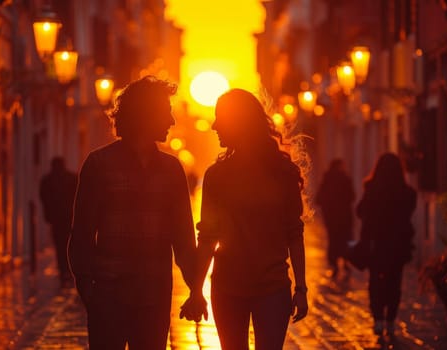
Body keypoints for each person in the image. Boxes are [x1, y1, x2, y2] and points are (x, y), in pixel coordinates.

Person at [68, 76, 198, 349]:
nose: (172, 121)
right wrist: (88, 290)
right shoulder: (99, 165)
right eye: (166, 112)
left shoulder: (172, 170)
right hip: (107, 299)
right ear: (146, 114)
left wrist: (196, 290)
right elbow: (81, 234)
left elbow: (184, 240)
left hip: (154, 299)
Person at [181, 89, 308, 349]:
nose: (215, 126)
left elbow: (294, 233)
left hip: (271, 288)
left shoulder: (282, 174)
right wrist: (195, 291)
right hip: (228, 290)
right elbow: (207, 237)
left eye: (220, 119)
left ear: (238, 123)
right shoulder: (217, 176)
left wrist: (302, 289)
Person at [356, 152, 416, 336]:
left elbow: (360, 211)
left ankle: (378, 320)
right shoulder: (407, 193)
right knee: (394, 282)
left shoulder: (371, 188)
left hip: (376, 243)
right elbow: (408, 214)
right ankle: (390, 320)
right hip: (398, 244)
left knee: (375, 282)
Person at [39, 156, 77, 288]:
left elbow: (44, 198)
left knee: (59, 245)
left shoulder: (47, 180)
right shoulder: (72, 178)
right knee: (68, 244)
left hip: (57, 219)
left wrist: (48, 215)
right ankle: (67, 270)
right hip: (68, 218)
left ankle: (63, 270)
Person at [315, 158, 355, 277]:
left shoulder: (326, 180)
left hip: (331, 218)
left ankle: (334, 263)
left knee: (333, 240)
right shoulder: (345, 179)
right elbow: (352, 196)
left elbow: (319, 199)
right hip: (344, 218)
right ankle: (346, 262)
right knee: (345, 239)